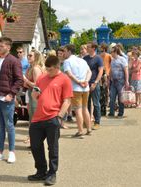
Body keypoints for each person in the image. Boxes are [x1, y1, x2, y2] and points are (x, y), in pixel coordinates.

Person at [27, 55, 73, 186]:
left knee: (52, 148)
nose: (47, 71)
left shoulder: (64, 79)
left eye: (50, 69)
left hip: (53, 117)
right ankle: (41, 171)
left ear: (57, 67)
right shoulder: (42, 77)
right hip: (37, 118)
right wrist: (34, 95)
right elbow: (36, 94)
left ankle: (52, 173)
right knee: (35, 146)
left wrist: (59, 117)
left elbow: (67, 100)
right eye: (46, 68)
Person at [0, 37, 23, 163]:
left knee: (9, 125)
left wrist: (11, 94)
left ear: (8, 47)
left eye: (1, 46)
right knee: (0, 127)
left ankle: (12, 152)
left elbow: (19, 80)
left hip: (6, 98)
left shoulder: (14, 61)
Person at [63, 44, 92, 138]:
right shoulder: (82, 60)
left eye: (65, 51)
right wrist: (86, 81)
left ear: (69, 51)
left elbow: (68, 74)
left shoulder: (67, 61)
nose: (63, 53)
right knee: (85, 108)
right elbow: (89, 72)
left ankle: (80, 130)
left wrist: (78, 82)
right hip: (85, 88)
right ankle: (89, 129)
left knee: (78, 109)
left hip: (76, 88)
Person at [23, 49, 45, 144]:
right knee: (32, 116)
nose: (28, 57)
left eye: (30, 55)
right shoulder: (31, 67)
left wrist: (26, 80)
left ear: (36, 57)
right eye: (28, 55)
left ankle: (35, 140)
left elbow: (37, 85)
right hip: (30, 93)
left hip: (35, 95)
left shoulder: (36, 68)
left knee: (34, 117)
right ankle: (32, 138)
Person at [83, 42, 104, 130]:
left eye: (88, 47)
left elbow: (101, 71)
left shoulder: (98, 58)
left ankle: (97, 122)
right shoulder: (85, 58)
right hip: (86, 84)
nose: (86, 48)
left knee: (96, 103)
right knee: (86, 103)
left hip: (94, 84)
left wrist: (95, 82)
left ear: (93, 48)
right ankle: (87, 121)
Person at [108, 45, 129, 117]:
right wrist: (109, 78)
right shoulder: (112, 60)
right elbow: (111, 70)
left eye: (112, 52)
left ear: (115, 52)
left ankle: (121, 112)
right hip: (113, 81)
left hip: (121, 81)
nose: (111, 53)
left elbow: (126, 70)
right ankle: (111, 112)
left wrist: (126, 81)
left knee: (121, 97)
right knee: (112, 97)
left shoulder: (122, 59)